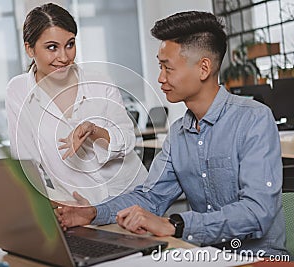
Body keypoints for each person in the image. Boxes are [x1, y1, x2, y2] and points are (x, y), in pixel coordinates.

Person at [56, 11, 288, 256]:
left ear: (204, 68)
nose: (160, 78)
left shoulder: (254, 119)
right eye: (160, 67)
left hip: (258, 257)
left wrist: (175, 225)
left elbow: (257, 212)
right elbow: (151, 197)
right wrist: (91, 212)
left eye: (168, 68)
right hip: (205, 256)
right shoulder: (179, 133)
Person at [5, 3, 148, 205]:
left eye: (70, 45)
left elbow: (127, 140)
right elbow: (25, 164)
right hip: (81, 207)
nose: (64, 57)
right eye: (52, 47)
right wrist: (53, 206)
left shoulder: (100, 82)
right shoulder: (18, 91)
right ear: (30, 49)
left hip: (134, 196)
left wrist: (94, 130)